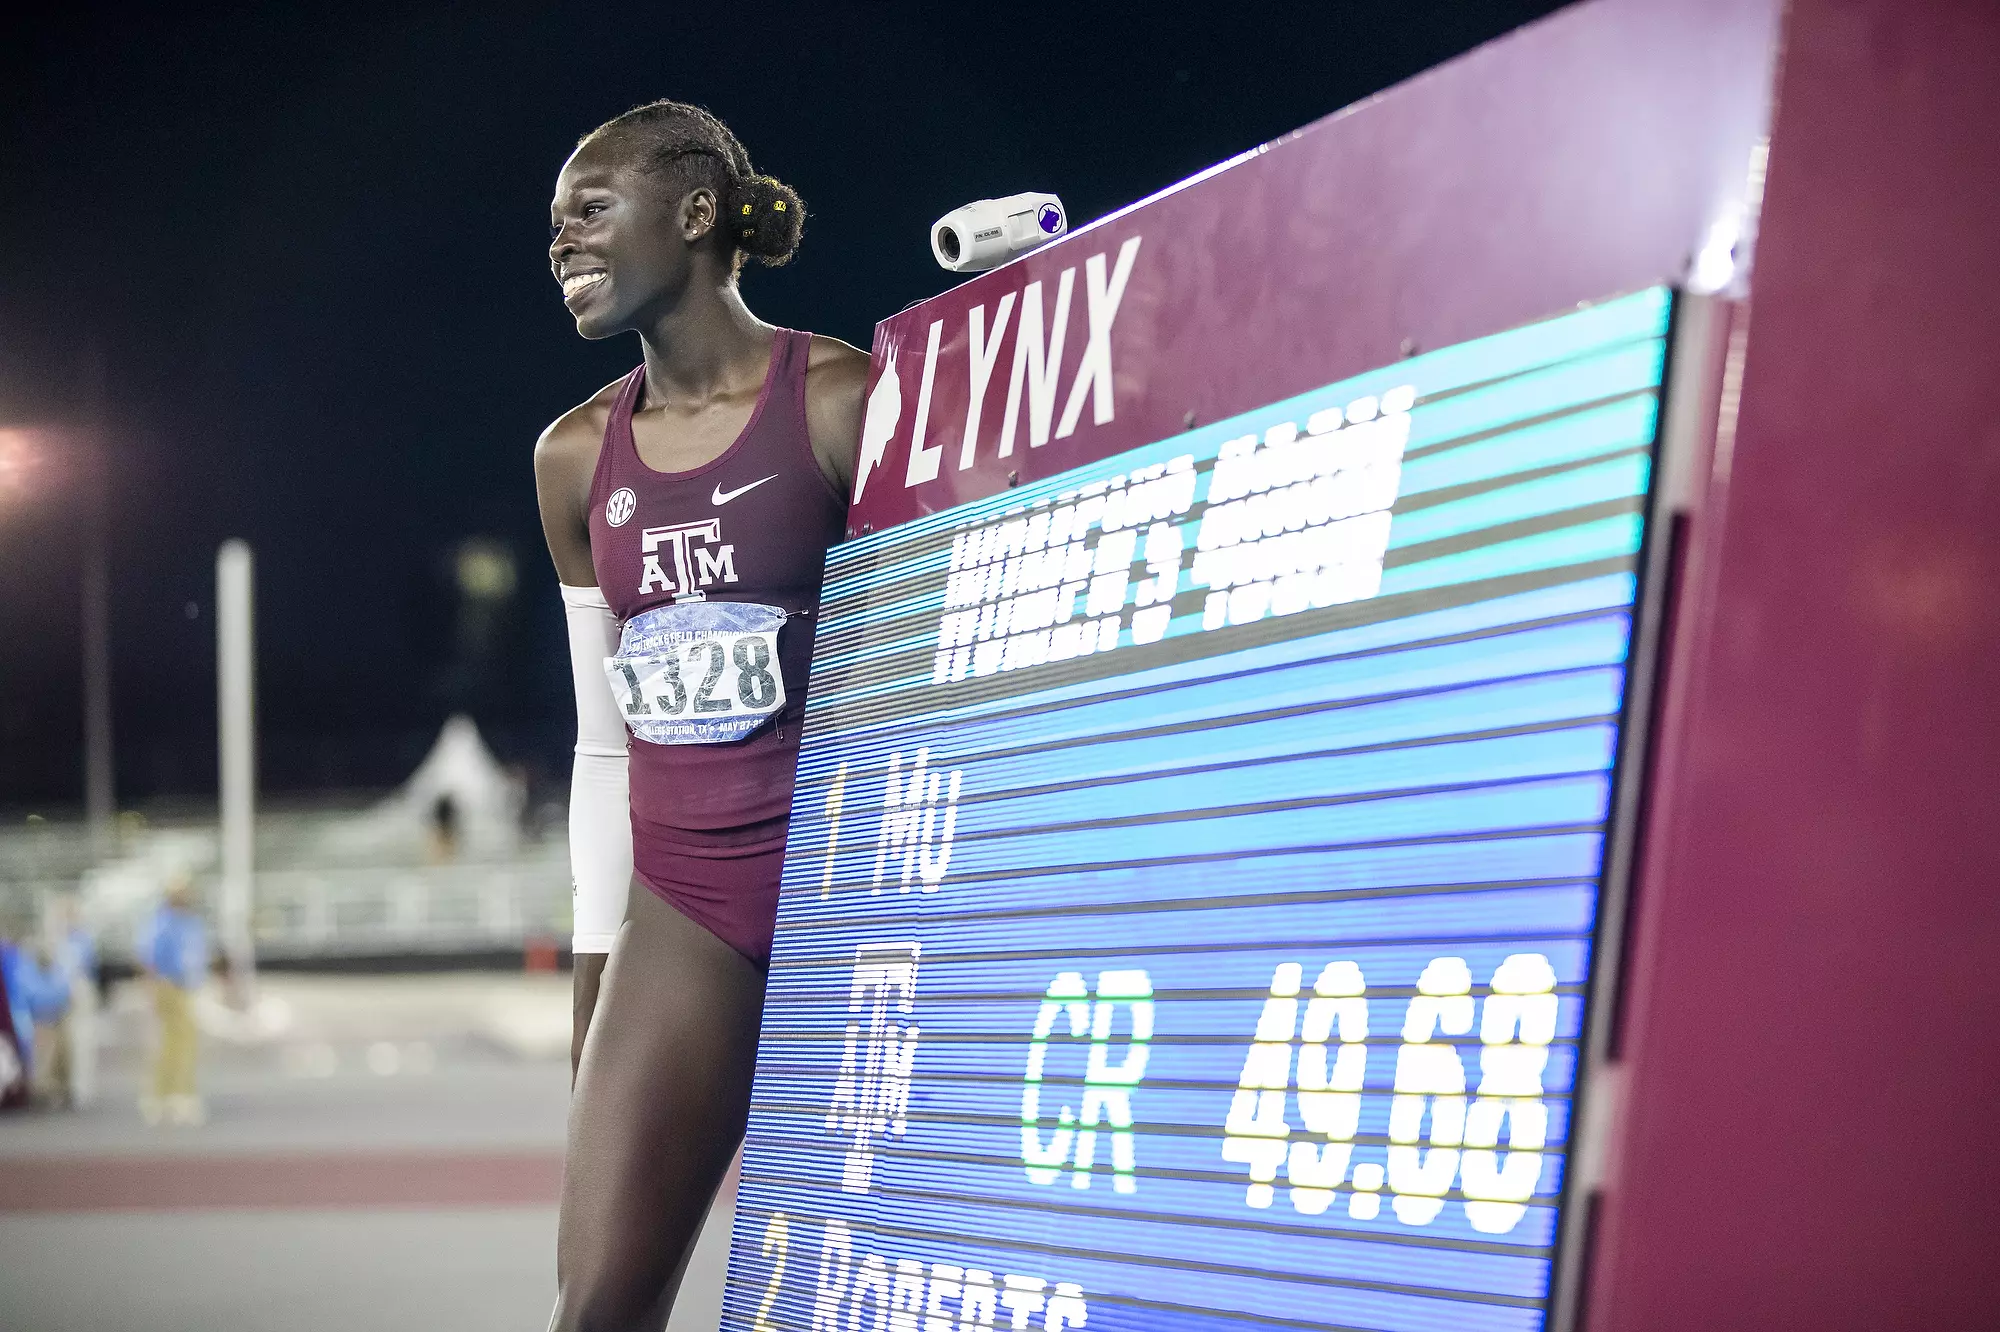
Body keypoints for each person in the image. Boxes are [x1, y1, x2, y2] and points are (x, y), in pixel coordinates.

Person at [534, 99, 866, 1330]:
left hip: (855, 895)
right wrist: (596, 962)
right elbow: (598, 743)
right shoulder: (575, 459)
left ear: (690, 215)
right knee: (597, 1308)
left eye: (590, 209)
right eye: (554, 223)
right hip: (686, 915)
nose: (562, 240)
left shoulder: (841, 402)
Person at [135, 878, 210, 1126]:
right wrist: (152, 989)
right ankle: (166, 1096)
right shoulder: (162, 923)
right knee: (171, 1042)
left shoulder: (189, 923)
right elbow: (148, 957)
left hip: (186, 986)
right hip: (169, 985)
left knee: (184, 1042)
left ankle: (178, 1095)